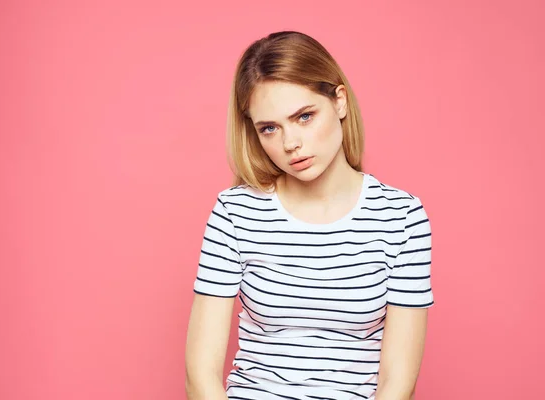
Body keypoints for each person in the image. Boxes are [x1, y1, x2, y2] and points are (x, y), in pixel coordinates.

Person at [185, 30, 434, 400]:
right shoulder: (235, 212)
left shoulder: (401, 217)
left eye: (304, 117)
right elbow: (200, 375)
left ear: (340, 102)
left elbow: (398, 383)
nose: (289, 144)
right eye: (269, 128)